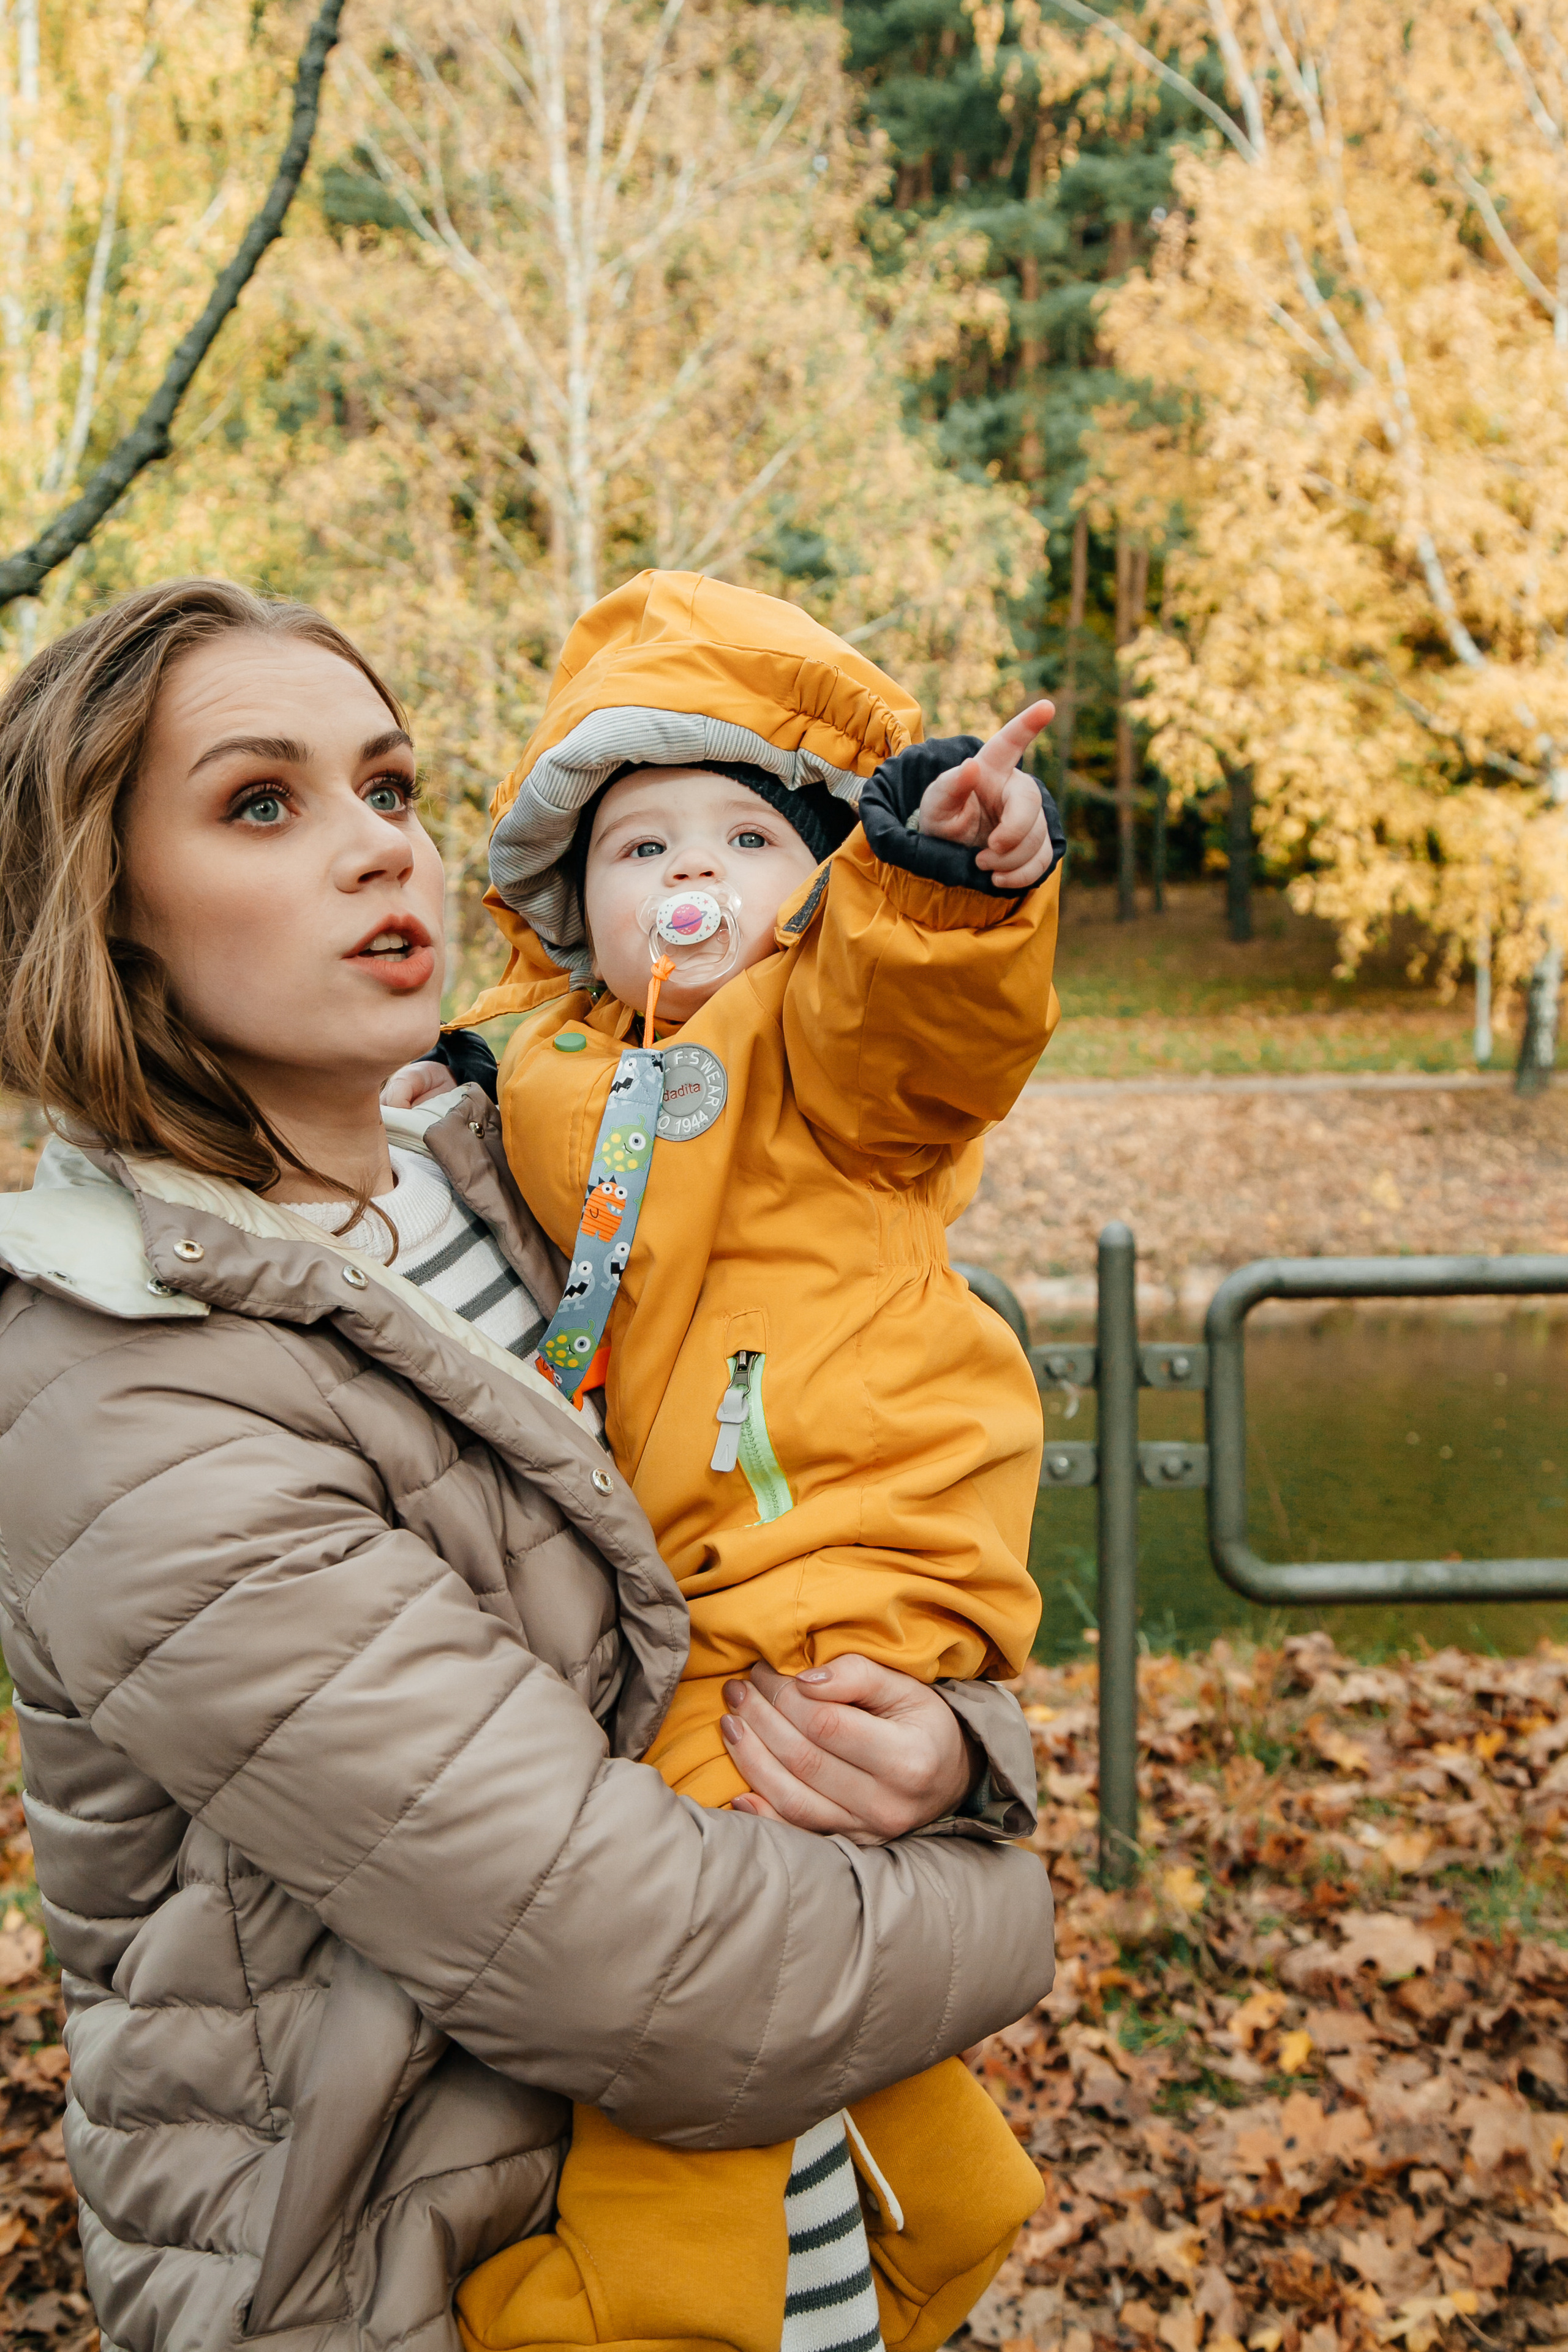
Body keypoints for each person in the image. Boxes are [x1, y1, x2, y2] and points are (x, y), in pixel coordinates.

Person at [0, 579, 1056, 2352]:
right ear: (99, 913)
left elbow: (751, 1550)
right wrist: (1007, 1884)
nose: (377, 850)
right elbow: (659, 1977)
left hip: (793, 2228)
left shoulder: (514, 1177)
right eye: (261, 803)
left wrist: (950, 1745)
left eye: (389, 788)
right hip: (423, 2287)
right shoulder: (127, 1387)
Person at [390, 573, 1065, 2352]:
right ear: (572, 905)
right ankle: (949, 2202)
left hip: (839, 1559)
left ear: (815, 888)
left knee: (688, 1996)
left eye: (747, 838)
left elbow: (927, 1021)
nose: (691, 873)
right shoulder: (553, 1064)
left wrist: (946, 884)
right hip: (732, 1594)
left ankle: (636, 2315)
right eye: (639, 847)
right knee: (808, 1953)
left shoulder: (821, 1050)